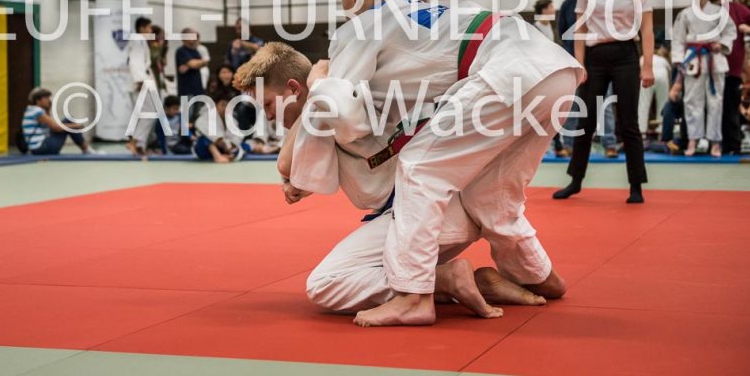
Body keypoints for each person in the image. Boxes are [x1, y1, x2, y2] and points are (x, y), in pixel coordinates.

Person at [312, 0, 581, 327]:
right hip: (556, 70)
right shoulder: (423, 13)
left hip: (508, 71)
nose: (342, 7)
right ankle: (539, 275)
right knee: (492, 194)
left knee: (420, 167)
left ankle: (413, 296)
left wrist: (318, 79)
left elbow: (343, 113)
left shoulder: (362, 26)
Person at [234, 42, 548, 316]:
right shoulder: (345, 93)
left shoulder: (329, 104)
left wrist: (316, 86)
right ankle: (477, 283)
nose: (269, 116)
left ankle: (446, 279)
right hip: (447, 212)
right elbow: (301, 174)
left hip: (421, 213)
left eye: (268, 104)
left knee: (325, 283)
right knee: (373, 268)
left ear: (293, 88)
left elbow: (286, 165)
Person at [554, 0, 654, 204]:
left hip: (626, 55)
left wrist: (647, 65)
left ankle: (636, 185)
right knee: (585, 121)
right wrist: (579, 65)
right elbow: (580, 29)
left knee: (629, 123)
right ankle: (575, 180)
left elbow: (647, 29)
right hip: (595, 56)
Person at [670, 0, 737, 158]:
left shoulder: (719, 12)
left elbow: (730, 32)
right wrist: (679, 60)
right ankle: (693, 140)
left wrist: (722, 44)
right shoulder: (684, 14)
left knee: (716, 102)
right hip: (694, 60)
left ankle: (715, 142)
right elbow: (678, 39)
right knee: (692, 101)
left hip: (715, 58)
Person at [556, 0, 616, 158]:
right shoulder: (568, 5)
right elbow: (563, 32)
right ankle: (569, 143)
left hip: (599, 59)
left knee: (604, 102)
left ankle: (610, 143)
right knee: (572, 102)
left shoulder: (601, 2)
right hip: (573, 60)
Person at [719, 0, 750, 154]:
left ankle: (732, 146)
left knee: (730, 108)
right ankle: (708, 143)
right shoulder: (699, 11)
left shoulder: (738, 9)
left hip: (732, 70)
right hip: (706, 69)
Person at [21, 87, 97, 156]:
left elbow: (50, 127)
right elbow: (56, 128)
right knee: (69, 120)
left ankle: (86, 149)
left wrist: (48, 110)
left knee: (67, 122)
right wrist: (76, 126)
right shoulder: (37, 112)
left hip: (37, 148)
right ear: (38, 100)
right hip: (41, 148)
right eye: (46, 98)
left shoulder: (31, 110)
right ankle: (86, 149)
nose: (49, 100)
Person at [126, 17, 158, 156]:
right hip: (141, 81)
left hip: (143, 80)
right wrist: (140, 81)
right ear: (141, 28)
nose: (151, 31)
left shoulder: (140, 41)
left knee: (144, 114)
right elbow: (135, 61)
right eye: (149, 28)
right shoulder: (138, 39)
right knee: (150, 112)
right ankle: (134, 142)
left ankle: (140, 146)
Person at [638, 44, 671, 139]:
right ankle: (661, 131)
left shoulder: (643, 57)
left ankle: (641, 132)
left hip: (646, 73)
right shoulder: (664, 59)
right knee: (663, 103)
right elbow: (669, 73)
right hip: (662, 74)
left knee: (643, 104)